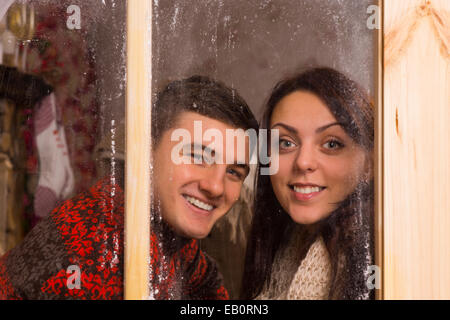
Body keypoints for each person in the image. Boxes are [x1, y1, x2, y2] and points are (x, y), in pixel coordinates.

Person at [0, 75, 258, 300]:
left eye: (233, 172)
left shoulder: (154, 222)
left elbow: (203, 275)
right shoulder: (97, 248)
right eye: (198, 156)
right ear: (146, 151)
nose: (215, 186)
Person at [241, 67, 374, 300]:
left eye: (331, 144)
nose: (303, 162)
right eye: (285, 143)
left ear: (369, 165)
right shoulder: (284, 244)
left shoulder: (380, 259)